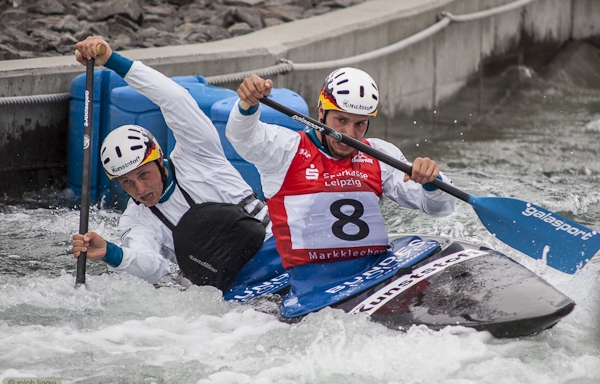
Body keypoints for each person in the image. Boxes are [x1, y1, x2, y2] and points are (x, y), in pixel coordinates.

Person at [71, 36, 281, 290]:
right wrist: (109, 252)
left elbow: (173, 98)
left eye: (144, 174)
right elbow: (152, 267)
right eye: (126, 182)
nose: (140, 189)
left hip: (276, 245)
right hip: (229, 286)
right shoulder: (136, 219)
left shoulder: (197, 153)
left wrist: (111, 60)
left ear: (159, 160)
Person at [226, 67, 456, 269]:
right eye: (341, 120)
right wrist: (248, 104)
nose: (349, 134)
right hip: (310, 278)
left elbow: (440, 209)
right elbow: (241, 137)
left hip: (373, 271)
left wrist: (432, 182)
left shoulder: (380, 155)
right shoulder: (286, 149)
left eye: (360, 124)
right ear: (321, 113)